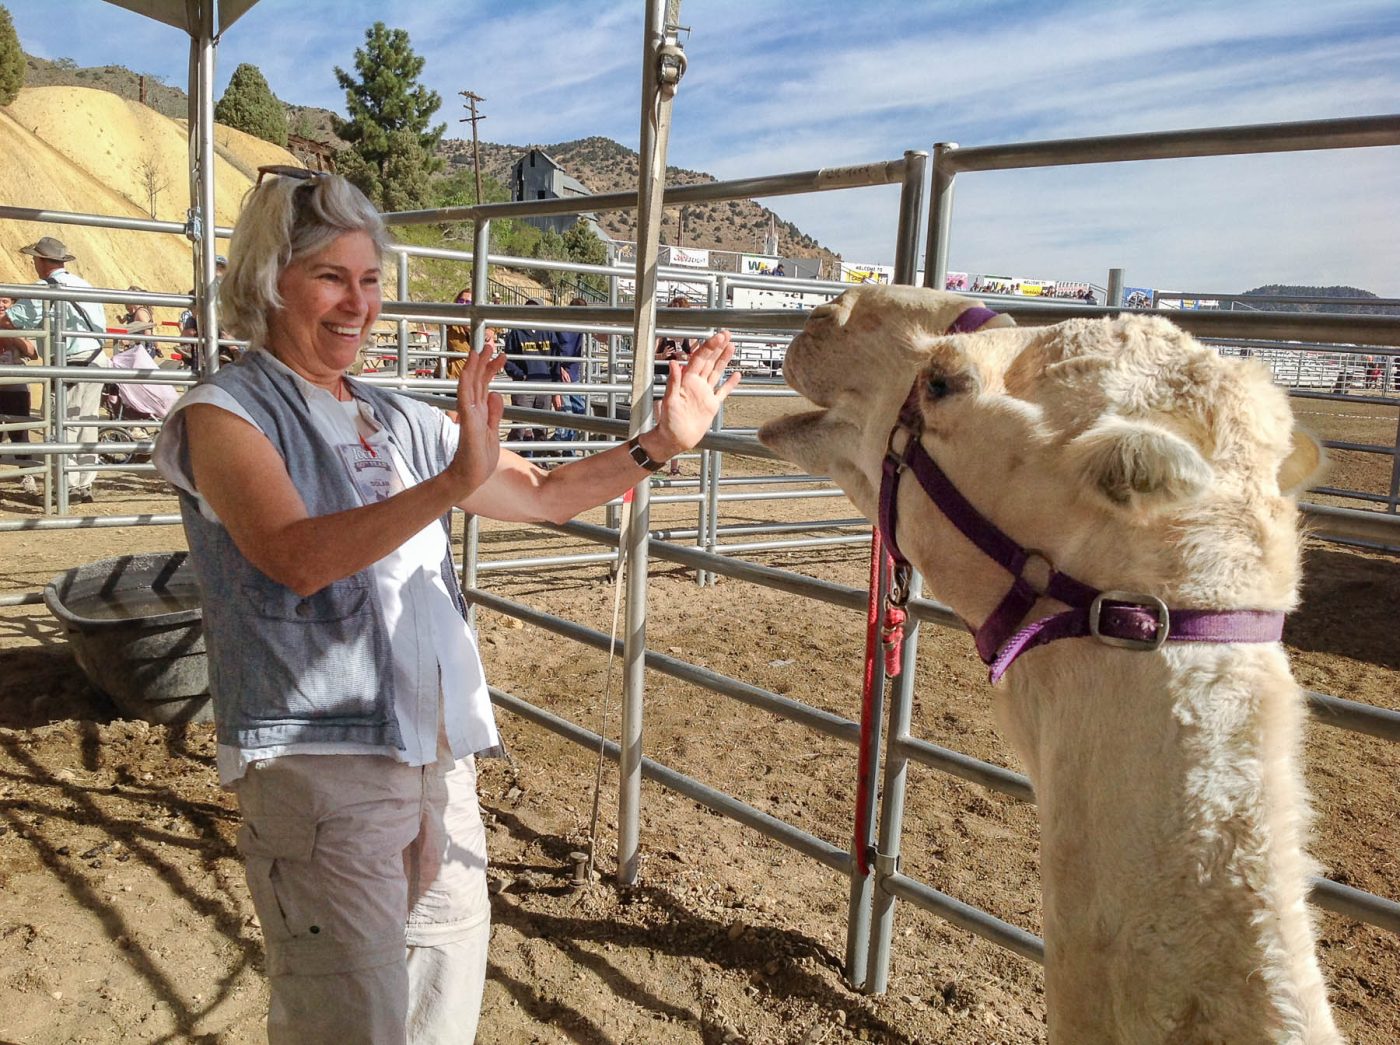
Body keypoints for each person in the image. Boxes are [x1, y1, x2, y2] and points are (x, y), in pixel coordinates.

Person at [151, 168, 739, 1043]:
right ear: (271, 280)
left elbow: (543, 493)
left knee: (440, 1008)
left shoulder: (394, 416)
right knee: (351, 1019)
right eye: (331, 277)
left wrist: (660, 443)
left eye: (372, 279)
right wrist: (454, 482)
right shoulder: (225, 412)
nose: (358, 303)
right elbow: (296, 556)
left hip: (437, 756)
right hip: (321, 769)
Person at [0, 236, 109, 503]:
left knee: (64, 420)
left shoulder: (45, 286)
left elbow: (12, 319)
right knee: (87, 420)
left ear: (40, 261)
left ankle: (67, 486)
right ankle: (84, 482)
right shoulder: (84, 284)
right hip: (95, 358)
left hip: (69, 359)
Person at [501, 300, 556, 457]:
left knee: (542, 427)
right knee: (520, 426)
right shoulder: (517, 333)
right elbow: (508, 359)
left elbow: (555, 358)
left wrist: (553, 379)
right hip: (524, 386)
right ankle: (513, 462)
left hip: (544, 385)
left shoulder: (548, 332)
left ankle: (540, 462)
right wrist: (521, 375)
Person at [0, 295, 40, 497]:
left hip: (15, 385)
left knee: (20, 434)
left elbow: (33, 352)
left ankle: (27, 475)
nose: (0, 304)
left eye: (5, 301)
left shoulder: (19, 323)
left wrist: (11, 334)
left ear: (12, 305)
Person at [655, 295, 699, 475]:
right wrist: (662, 356)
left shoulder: (691, 336)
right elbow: (649, 355)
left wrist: (685, 357)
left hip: (679, 383)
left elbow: (698, 358)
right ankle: (657, 461)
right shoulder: (661, 333)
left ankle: (674, 466)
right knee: (660, 424)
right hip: (660, 380)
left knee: (675, 425)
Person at [548, 297, 589, 453]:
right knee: (567, 411)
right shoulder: (560, 326)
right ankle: (566, 452)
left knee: (581, 409)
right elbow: (552, 349)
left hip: (573, 374)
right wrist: (559, 369)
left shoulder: (581, 326)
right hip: (562, 374)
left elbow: (599, 335)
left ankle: (556, 444)